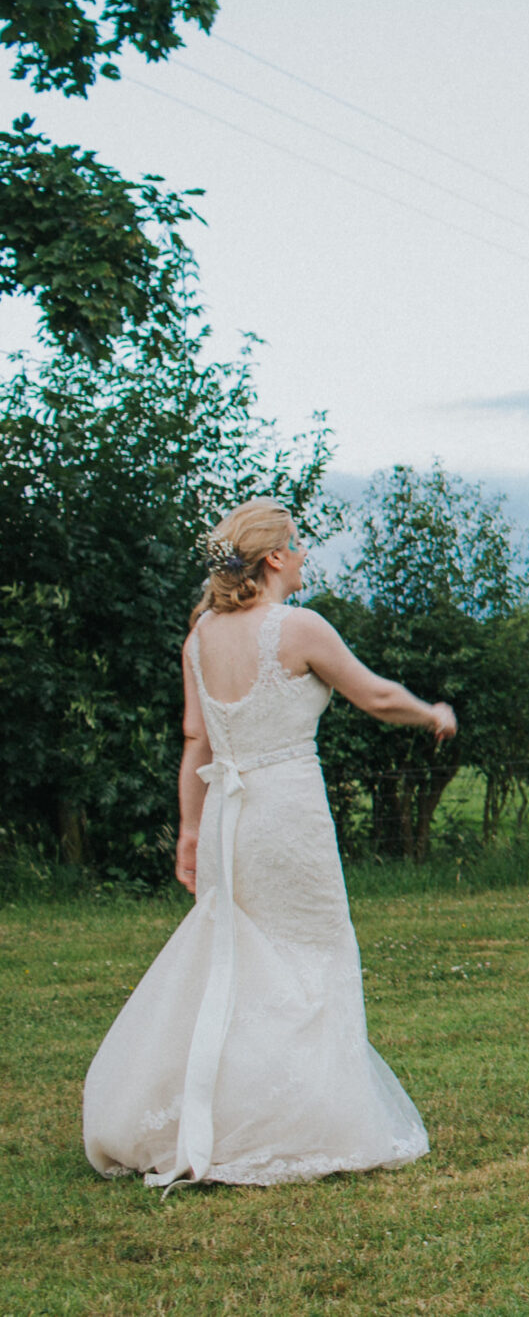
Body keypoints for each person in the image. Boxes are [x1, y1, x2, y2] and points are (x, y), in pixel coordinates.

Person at [85, 499, 448, 1186]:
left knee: (235, 955)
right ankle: (298, 1120)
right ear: (275, 555)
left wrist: (190, 830)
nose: (305, 552)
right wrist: (433, 711)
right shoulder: (297, 627)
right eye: (298, 542)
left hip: (227, 812)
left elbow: (196, 738)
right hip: (285, 810)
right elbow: (373, 694)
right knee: (312, 949)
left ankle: (218, 1113)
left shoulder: (199, 636)